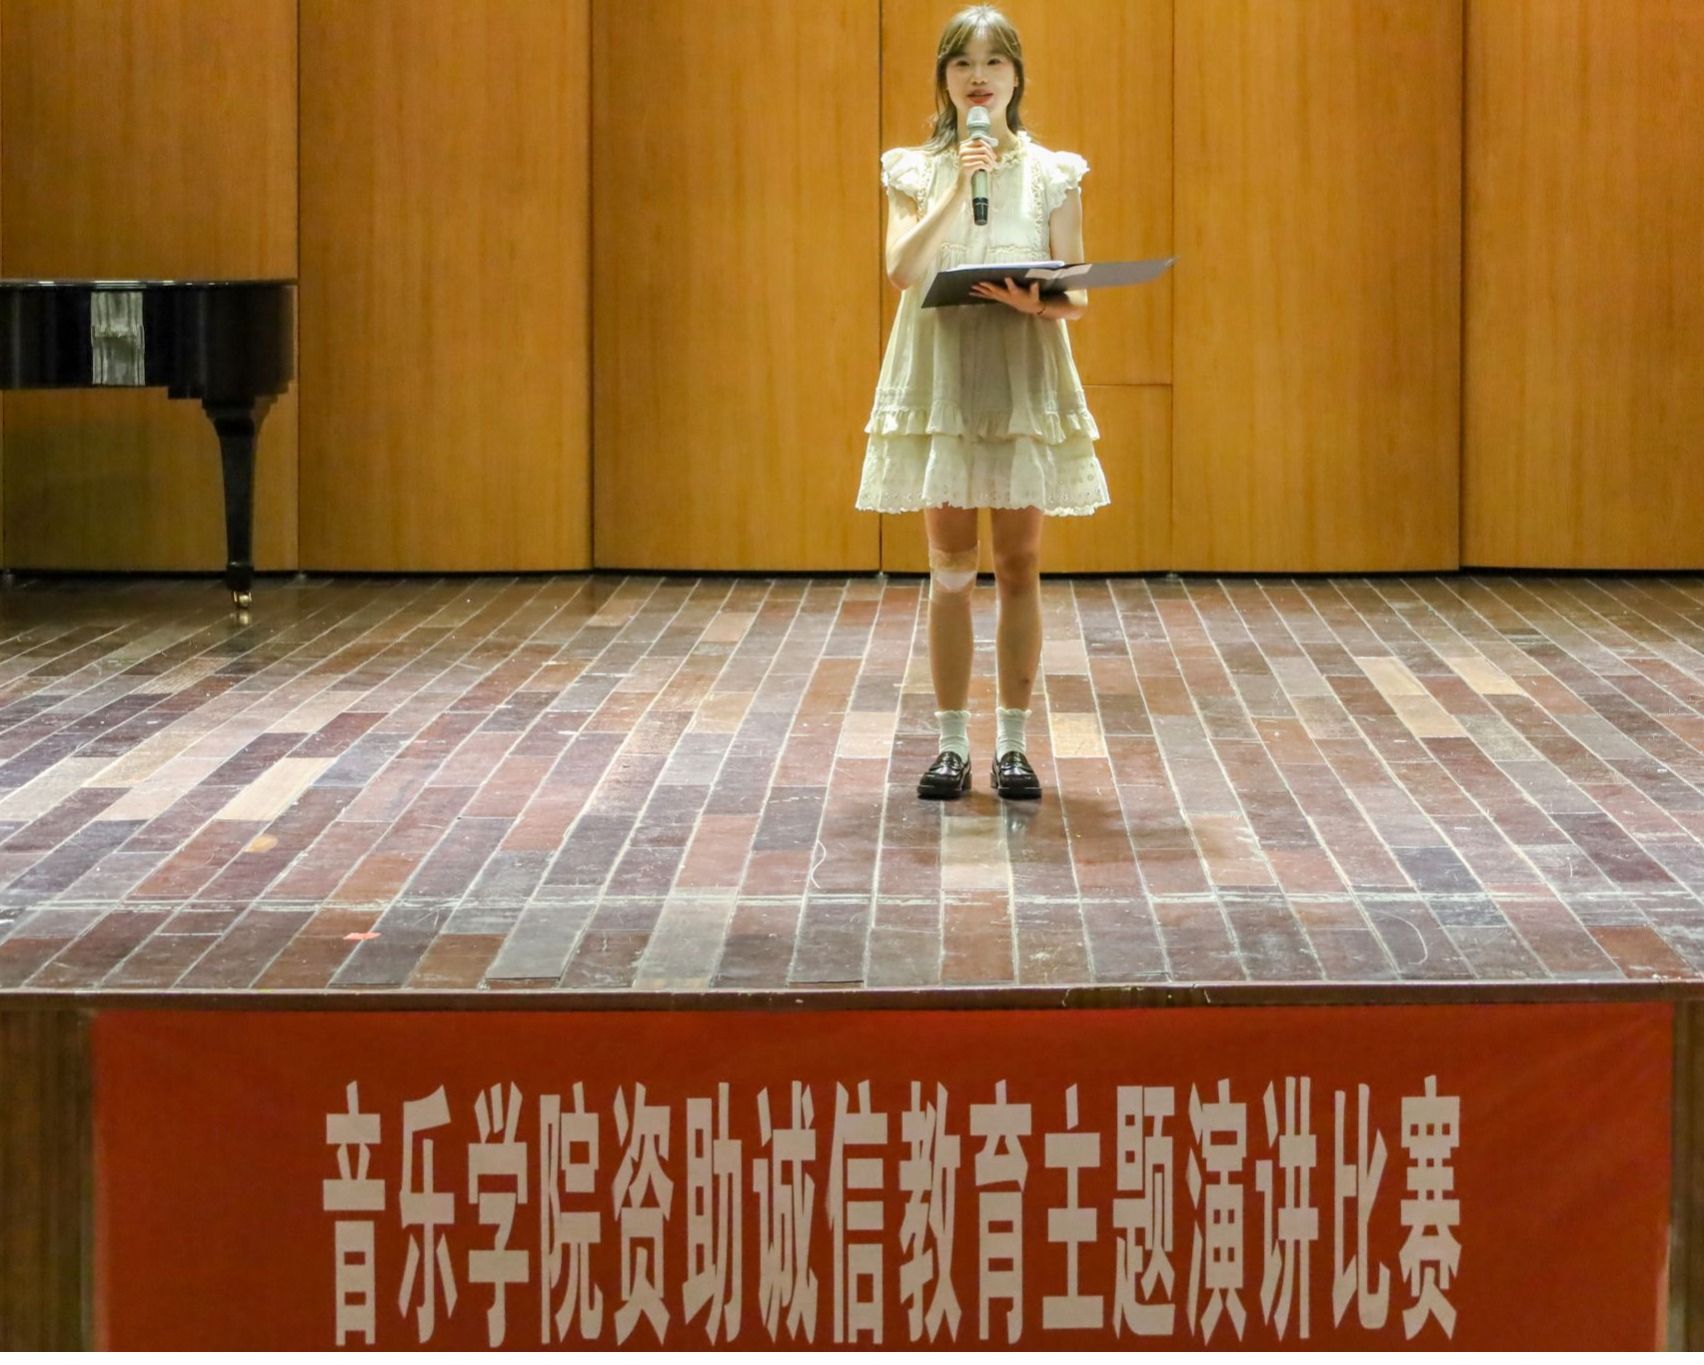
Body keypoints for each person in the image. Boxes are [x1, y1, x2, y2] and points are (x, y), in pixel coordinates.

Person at [857, 4, 1108, 802]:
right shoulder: (912, 168)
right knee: (952, 568)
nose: (978, 76)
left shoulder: (1053, 172)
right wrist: (956, 186)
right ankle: (950, 744)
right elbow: (902, 269)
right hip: (943, 377)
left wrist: (1038, 301)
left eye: (994, 61)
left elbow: (1076, 292)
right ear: (943, 77)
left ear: (1016, 77)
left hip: (1019, 371)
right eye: (962, 62)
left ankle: (1013, 745)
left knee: (1020, 563)